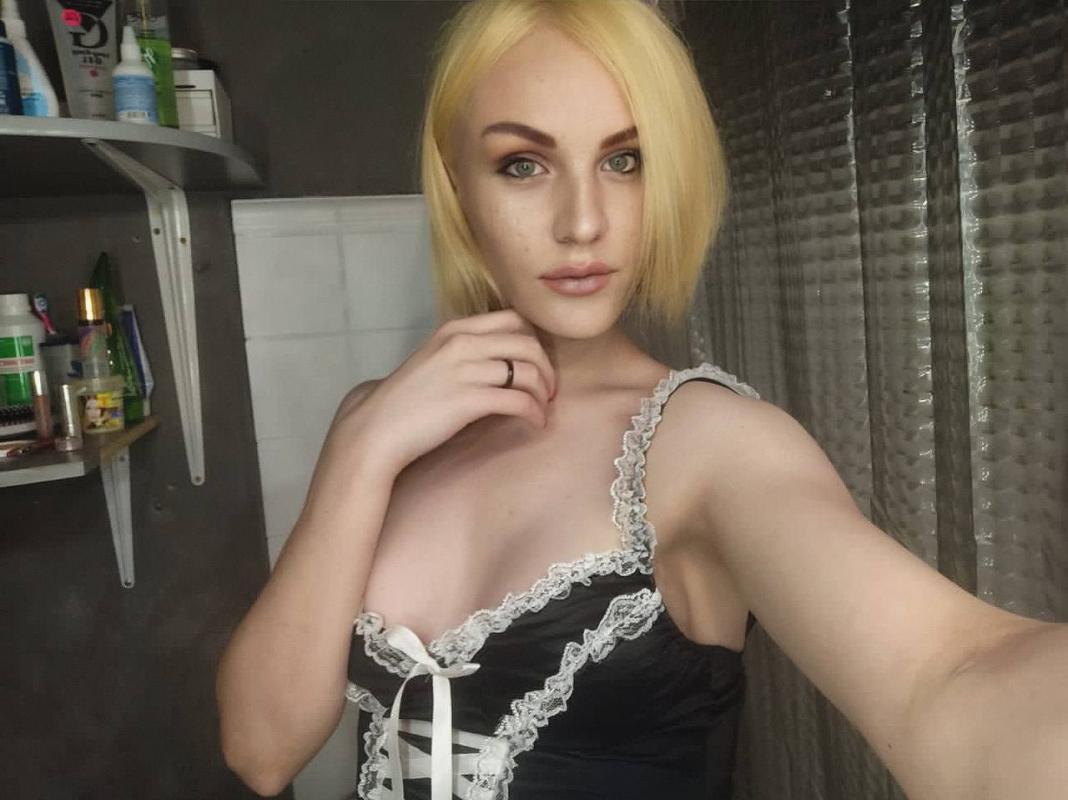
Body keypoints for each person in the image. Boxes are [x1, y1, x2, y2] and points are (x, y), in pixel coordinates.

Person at [216, 2, 1068, 799]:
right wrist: (361, 450)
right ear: (457, 182)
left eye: (624, 160)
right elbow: (260, 750)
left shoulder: (708, 443)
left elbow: (946, 676)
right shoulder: (381, 424)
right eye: (523, 164)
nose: (583, 222)